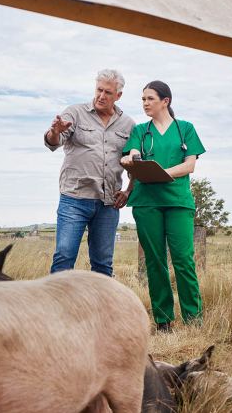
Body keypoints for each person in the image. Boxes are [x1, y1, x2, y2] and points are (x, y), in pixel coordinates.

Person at [121, 80, 205, 331]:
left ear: (165, 101)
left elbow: (189, 165)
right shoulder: (140, 130)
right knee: (155, 261)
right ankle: (163, 321)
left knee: (183, 260)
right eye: (143, 99)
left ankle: (193, 320)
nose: (145, 103)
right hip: (147, 203)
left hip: (177, 202)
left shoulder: (185, 129)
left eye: (150, 99)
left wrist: (162, 172)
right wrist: (130, 158)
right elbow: (133, 153)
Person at [44, 69, 135, 276]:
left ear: (118, 95)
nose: (101, 96)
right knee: (64, 256)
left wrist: (129, 191)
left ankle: (100, 308)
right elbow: (53, 141)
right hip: (74, 199)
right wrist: (55, 131)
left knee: (103, 263)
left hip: (108, 204)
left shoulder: (128, 124)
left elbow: (134, 164)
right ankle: (57, 307)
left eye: (108, 92)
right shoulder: (74, 113)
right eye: (99, 90)